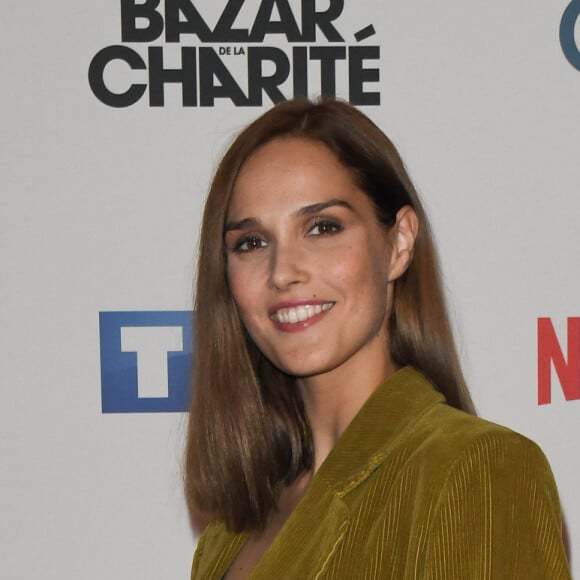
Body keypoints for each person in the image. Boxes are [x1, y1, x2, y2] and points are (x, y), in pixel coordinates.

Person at [184, 99, 570, 579]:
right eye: (251, 242)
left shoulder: (477, 470)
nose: (282, 272)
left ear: (399, 243)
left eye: (322, 228)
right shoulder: (233, 526)